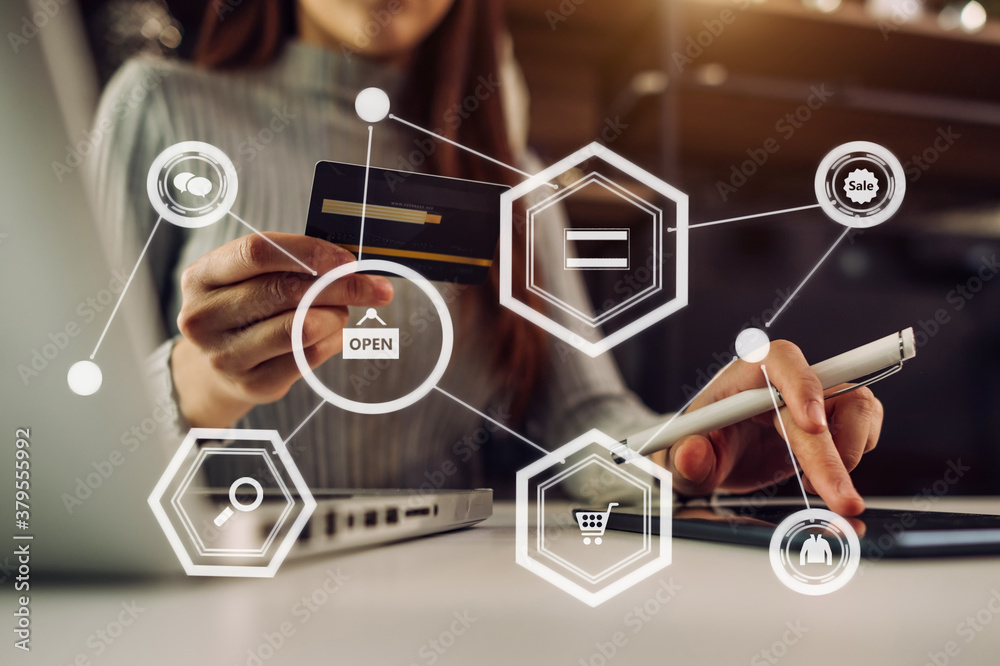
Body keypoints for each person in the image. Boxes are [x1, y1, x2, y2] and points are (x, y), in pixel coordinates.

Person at [91, 0, 881, 515]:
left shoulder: (512, 177)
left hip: (446, 602)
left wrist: (695, 445)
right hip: (200, 601)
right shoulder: (158, 103)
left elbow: (582, 422)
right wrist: (204, 385)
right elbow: (66, 419)